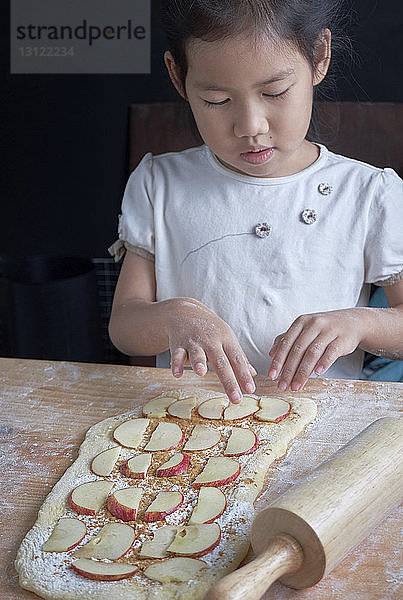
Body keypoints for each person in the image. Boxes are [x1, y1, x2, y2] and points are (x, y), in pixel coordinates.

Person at [108, 0, 403, 403]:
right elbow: (125, 326)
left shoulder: (369, 193)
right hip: (191, 419)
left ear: (319, 57)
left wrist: (357, 323)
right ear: (178, 76)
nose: (251, 126)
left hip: (319, 423)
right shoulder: (159, 184)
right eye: (217, 100)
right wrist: (175, 317)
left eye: (275, 92)